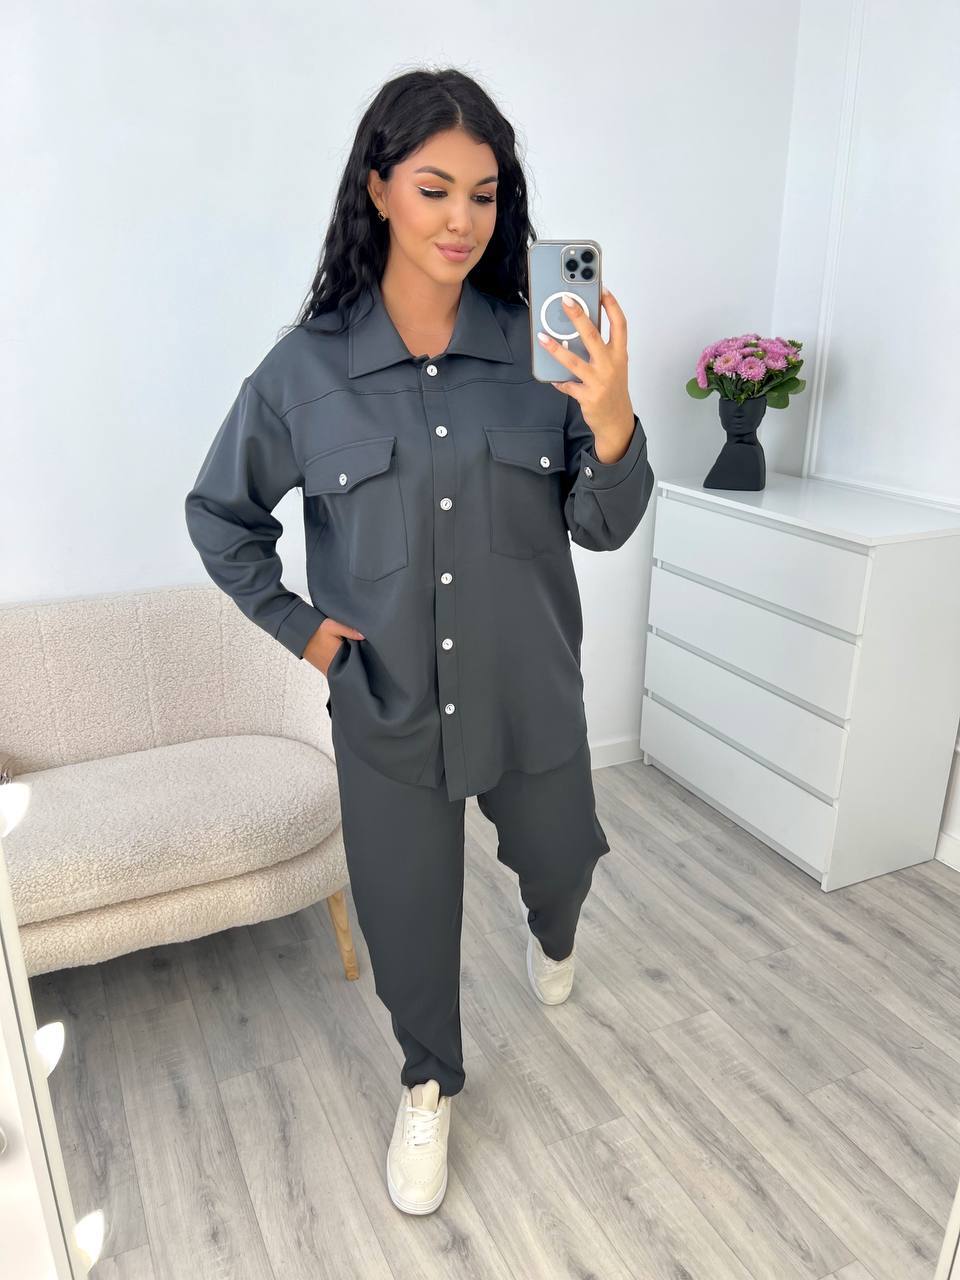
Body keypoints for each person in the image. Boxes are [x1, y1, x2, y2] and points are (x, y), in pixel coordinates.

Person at [184, 66, 655, 1217]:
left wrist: (610, 418)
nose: (462, 219)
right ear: (379, 188)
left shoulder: (544, 351)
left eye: (484, 195)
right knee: (406, 917)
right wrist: (308, 635)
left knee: (564, 858)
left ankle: (554, 928)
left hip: (529, 690)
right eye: (435, 188)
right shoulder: (305, 371)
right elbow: (220, 515)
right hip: (386, 702)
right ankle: (428, 1079)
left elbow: (602, 524)